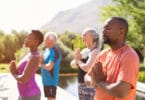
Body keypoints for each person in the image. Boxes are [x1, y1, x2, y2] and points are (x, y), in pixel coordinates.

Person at [88, 17, 139, 100]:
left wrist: (99, 82)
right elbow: (87, 77)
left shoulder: (129, 56)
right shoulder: (103, 54)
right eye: (103, 29)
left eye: (107, 28)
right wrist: (94, 81)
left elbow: (121, 91)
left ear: (121, 32)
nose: (103, 32)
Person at [9, 30, 44, 100]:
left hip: (31, 95)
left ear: (36, 41)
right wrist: (15, 70)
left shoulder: (35, 57)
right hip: (23, 94)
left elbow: (24, 79)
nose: (26, 39)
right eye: (26, 37)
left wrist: (13, 73)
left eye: (29, 38)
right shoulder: (29, 54)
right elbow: (20, 74)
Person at [70, 28, 101, 100]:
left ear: (92, 37)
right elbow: (72, 65)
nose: (82, 37)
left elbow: (87, 68)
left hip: (90, 87)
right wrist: (78, 60)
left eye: (84, 35)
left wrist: (78, 61)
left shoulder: (95, 52)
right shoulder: (85, 51)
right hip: (81, 86)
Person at [39, 32, 61, 100]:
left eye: (45, 39)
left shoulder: (55, 51)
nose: (44, 41)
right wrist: (41, 61)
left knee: (51, 99)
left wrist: (40, 64)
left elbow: (49, 67)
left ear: (51, 40)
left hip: (51, 82)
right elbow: (44, 63)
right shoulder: (47, 50)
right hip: (46, 81)